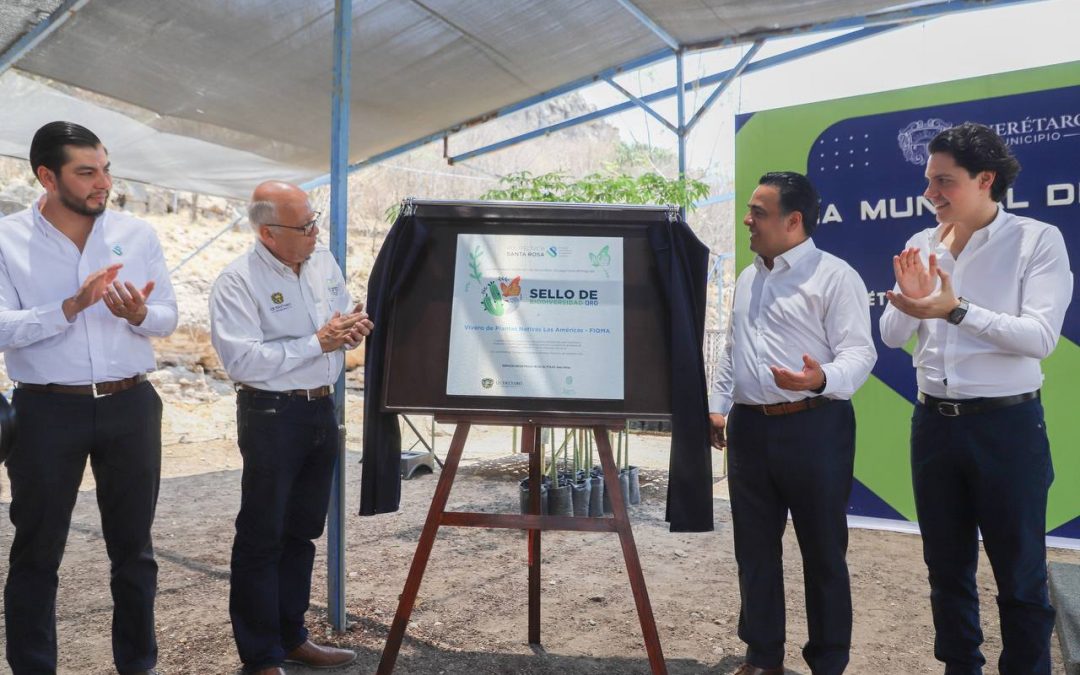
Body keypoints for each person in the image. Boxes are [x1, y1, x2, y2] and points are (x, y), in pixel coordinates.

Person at [880, 122, 1071, 675]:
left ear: (986, 179)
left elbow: (1039, 338)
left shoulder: (1036, 240)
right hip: (934, 424)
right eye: (928, 181)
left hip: (1006, 428)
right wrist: (913, 299)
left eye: (945, 182)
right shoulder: (921, 242)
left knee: (1021, 572)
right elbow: (893, 336)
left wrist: (954, 308)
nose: (931, 195)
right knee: (946, 568)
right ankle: (959, 667)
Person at [0, 121, 177, 674]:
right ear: (47, 177)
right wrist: (70, 307)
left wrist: (140, 314)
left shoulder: (137, 233)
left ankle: (138, 665)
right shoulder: (6, 239)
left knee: (135, 552)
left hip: (131, 405)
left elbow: (168, 316)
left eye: (105, 168)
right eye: (87, 172)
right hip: (46, 411)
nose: (103, 182)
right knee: (36, 552)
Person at [709, 171, 876, 675]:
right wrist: (718, 404)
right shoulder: (747, 277)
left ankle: (827, 663)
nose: (747, 220)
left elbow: (860, 354)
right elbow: (732, 350)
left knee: (823, 552)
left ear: (794, 220)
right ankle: (763, 658)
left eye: (758, 212)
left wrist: (819, 378)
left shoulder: (834, 276)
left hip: (815, 427)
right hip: (749, 431)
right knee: (754, 550)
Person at [209, 181, 372, 674]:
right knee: (262, 535)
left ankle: (292, 636)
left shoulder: (322, 260)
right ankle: (260, 656)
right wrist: (317, 343)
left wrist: (353, 329)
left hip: (321, 411)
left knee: (302, 531)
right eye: (303, 226)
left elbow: (338, 321)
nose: (315, 231)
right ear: (268, 233)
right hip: (272, 416)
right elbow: (241, 361)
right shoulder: (236, 281)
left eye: (314, 219)